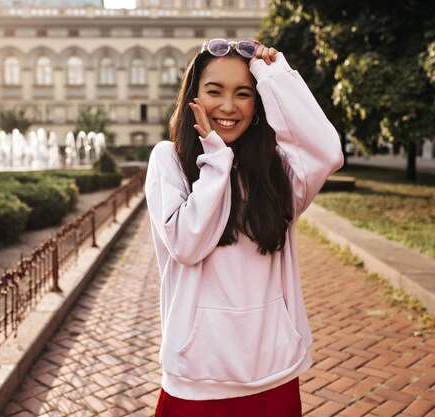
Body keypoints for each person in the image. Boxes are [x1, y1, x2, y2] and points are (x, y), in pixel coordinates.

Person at [145, 38, 344, 416]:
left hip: (273, 373)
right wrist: (216, 158)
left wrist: (277, 78)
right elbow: (187, 244)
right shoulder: (168, 160)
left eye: (244, 94)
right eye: (214, 91)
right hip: (197, 379)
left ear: (256, 107)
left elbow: (327, 152)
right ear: (194, 98)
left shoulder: (278, 172)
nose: (228, 106)